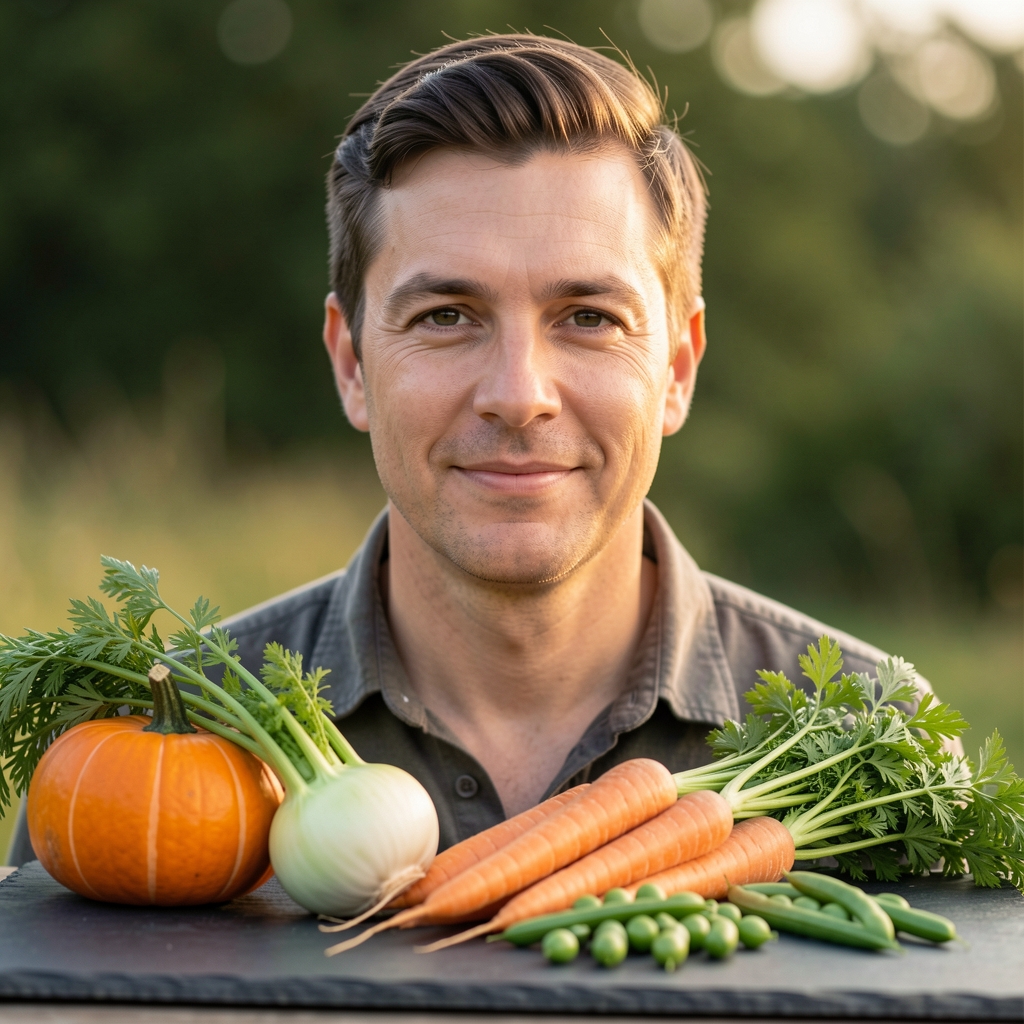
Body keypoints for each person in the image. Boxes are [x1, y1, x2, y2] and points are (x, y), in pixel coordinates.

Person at [6, 34, 935, 866]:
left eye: (588, 318)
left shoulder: (880, 748)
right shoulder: (151, 748)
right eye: (447, 316)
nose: (518, 395)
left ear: (679, 368)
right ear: (352, 364)